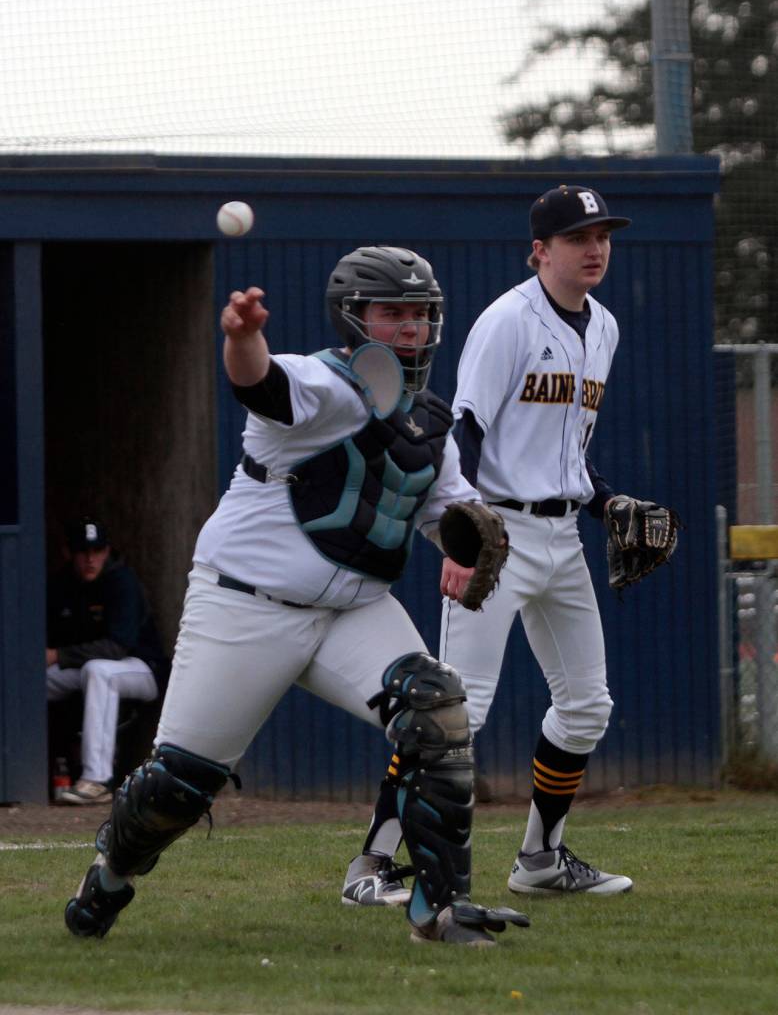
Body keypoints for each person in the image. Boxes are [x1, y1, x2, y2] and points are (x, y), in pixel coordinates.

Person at [64, 246, 528, 948]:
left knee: (435, 707)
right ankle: (110, 873)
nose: (409, 328)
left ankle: (441, 909)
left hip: (354, 608)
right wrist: (241, 336)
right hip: (248, 602)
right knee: (179, 788)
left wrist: (469, 538)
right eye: (391, 313)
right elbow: (261, 385)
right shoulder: (321, 382)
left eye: (419, 314)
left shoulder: (430, 421)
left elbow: (444, 509)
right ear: (354, 317)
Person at [344, 186, 672, 904]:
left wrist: (608, 501)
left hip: (561, 536)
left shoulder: (605, 328)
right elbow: (464, 432)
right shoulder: (507, 321)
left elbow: (568, 452)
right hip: (497, 532)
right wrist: (461, 534)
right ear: (539, 251)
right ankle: (370, 865)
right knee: (456, 713)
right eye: (578, 236)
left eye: (603, 235)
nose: (595, 248)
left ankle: (540, 859)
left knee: (587, 705)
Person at [46, 517, 168, 804]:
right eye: (83, 551)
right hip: (86, 668)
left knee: (99, 670)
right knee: (36, 680)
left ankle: (97, 780)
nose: (90, 559)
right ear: (69, 553)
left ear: (107, 551)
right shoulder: (62, 583)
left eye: (97, 551)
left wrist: (58, 655)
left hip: (142, 669)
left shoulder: (121, 580)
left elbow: (117, 648)